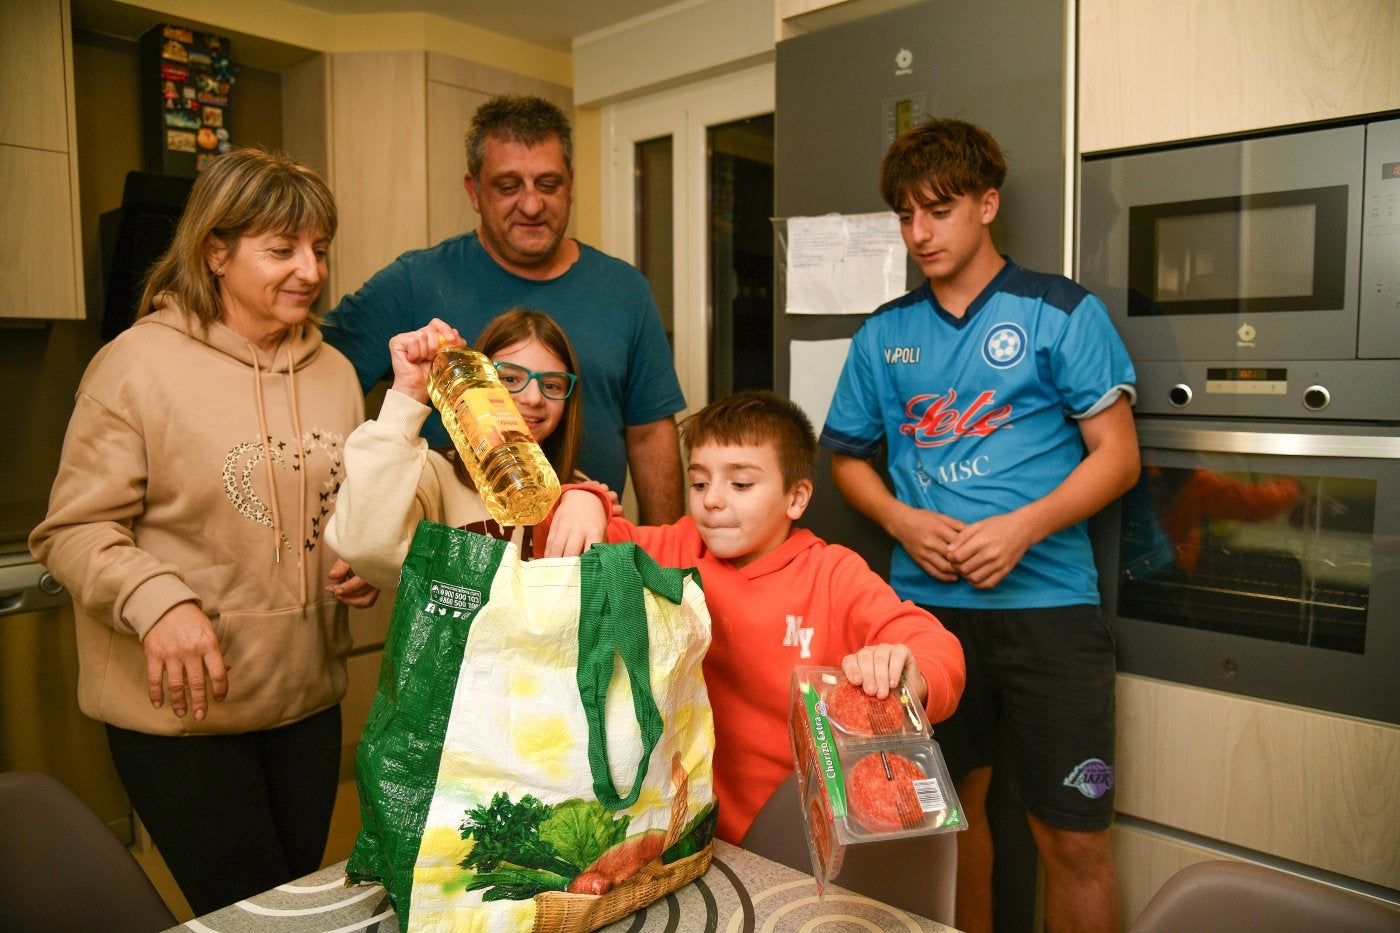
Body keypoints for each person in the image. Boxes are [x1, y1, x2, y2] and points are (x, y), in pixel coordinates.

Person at [29, 148, 377, 916]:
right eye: (282, 249)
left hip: (307, 702)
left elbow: (340, 512)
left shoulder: (337, 373)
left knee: (294, 904)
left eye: (319, 248)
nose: (310, 270)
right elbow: (72, 528)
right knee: (249, 910)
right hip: (185, 718)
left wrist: (356, 560)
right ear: (215, 251)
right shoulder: (135, 365)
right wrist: (158, 600)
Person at [818, 119, 1140, 933]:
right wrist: (900, 519)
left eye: (940, 208)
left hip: (1050, 617)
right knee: (947, 831)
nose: (919, 232)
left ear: (987, 203)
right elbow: (848, 458)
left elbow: (1118, 456)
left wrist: (1023, 528)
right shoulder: (883, 334)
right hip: (923, 625)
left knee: (1071, 840)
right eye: (904, 214)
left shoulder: (1060, 312)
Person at [555, 390, 966, 844]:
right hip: (687, 833)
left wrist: (906, 666)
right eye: (699, 483)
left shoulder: (832, 574)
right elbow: (586, 540)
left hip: (800, 837)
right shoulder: (678, 547)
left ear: (796, 497)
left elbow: (934, 645)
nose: (712, 500)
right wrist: (583, 498)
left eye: (741, 484)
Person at [322, 94, 686, 524]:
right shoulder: (414, 281)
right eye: (508, 186)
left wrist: (667, 557)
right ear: (474, 191)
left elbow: (649, 435)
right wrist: (348, 523)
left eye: (548, 185)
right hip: (451, 560)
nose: (531, 205)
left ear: (570, 184)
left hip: (582, 551)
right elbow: (322, 381)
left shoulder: (625, 289)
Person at [326, 310, 607, 589]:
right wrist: (409, 393)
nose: (533, 397)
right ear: (474, 381)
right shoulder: (430, 475)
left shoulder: (581, 493)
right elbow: (366, 547)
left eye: (551, 384)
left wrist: (591, 500)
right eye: (509, 379)